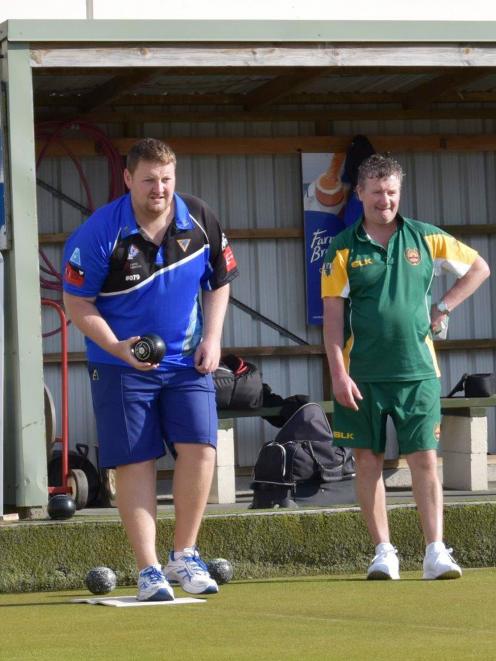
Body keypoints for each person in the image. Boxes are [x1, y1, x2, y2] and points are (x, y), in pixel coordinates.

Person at [62, 138, 238, 601]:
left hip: (186, 363)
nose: (159, 189)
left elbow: (219, 280)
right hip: (120, 366)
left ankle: (185, 554)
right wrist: (117, 347)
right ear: (127, 179)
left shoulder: (198, 216)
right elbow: (76, 301)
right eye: (149, 180)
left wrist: (213, 338)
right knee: (136, 461)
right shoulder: (100, 233)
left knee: (201, 449)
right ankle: (149, 570)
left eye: (166, 179)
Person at [322, 153, 490, 580]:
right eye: (376, 192)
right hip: (363, 375)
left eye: (392, 192)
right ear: (359, 193)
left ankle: (436, 552)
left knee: (424, 460)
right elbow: (333, 320)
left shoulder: (426, 237)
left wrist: (444, 307)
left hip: (418, 371)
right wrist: (338, 373)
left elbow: (479, 268)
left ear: (400, 192)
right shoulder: (342, 247)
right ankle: (384, 552)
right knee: (368, 462)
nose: (385, 200)